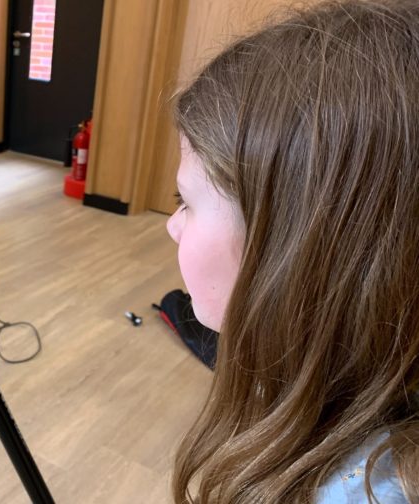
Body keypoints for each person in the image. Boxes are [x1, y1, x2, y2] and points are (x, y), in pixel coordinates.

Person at [165, 1, 419, 502]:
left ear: (305, 246)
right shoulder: (324, 386)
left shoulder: (372, 490)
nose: (172, 226)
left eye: (186, 203)